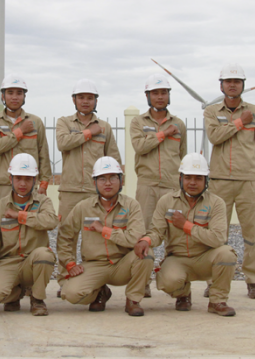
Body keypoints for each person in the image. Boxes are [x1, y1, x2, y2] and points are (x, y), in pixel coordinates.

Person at [134, 153, 238, 316]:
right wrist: (146, 240)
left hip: (206, 258)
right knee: (167, 282)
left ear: (206, 181)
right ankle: (182, 295)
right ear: (180, 178)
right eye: (188, 177)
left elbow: (218, 238)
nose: (192, 183)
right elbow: (157, 232)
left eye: (198, 178)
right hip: (178, 258)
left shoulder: (216, 203)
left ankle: (217, 301)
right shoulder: (167, 201)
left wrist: (186, 226)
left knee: (227, 254)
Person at [58, 157, 154, 316]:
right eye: (102, 178)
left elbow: (135, 238)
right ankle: (100, 292)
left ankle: (133, 300)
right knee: (71, 294)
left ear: (121, 180)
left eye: (113, 178)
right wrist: (69, 263)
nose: (108, 183)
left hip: (123, 264)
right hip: (95, 265)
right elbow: (65, 236)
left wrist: (104, 230)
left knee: (146, 255)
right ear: (94, 182)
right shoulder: (83, 207)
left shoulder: (131, 206)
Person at [204, 64, 255, 299]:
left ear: (243, 84)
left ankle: (253, 280)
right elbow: (215, 137)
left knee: (252, 233)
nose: (232, 84)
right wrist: (240, 123)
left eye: (237, 81)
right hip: (220, 181)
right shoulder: (212, 112)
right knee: (218, 234)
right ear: (221, 85)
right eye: (228, 81)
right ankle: (214, 280)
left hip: (248, 181)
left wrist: (249, 167)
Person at [56, 79, 122, 290]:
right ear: (74, 100)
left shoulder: (105, 127)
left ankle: (96, 281)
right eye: (81, 97)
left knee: (95, 237)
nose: (86, 101)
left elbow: (113, 158)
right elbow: (63, 143)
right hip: (70, 190)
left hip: (96, 192)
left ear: (96, 101)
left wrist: (117, 185)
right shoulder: (64, 123)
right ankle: (66, 276)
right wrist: (88, 133)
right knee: (67, 234)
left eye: (90, 98)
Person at [130, 73, 187, 297]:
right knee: (143, 232)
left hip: (172, 186)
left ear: (168, 96)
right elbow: (139, 147)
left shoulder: (179, 124)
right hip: (147, 185)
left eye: (163, 93)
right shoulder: (139, 122)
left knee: (175, 234)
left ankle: (177, 284)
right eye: (155, 93)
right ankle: (142, 282)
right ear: (148, 96)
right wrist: (163, 134)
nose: (160, 97)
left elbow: (181, 156)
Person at [0, 153, 58, 316]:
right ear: (10, 179)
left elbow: (51, 221)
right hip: (8, 262)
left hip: (33, 261)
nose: (23, 183)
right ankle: (15, 292)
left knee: (45, 255)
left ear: (34, 181)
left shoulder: (43, 202)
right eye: (18, 178)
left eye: (28, 179)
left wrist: (20, 216)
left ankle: (37, 299)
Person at [0, 74, 52, 209]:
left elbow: (43, 154)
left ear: (24, 96)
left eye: (19, 93)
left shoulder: (36, 122)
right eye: (10, 93)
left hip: (28, 186)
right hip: (1, 186)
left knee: (29, 225)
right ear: (3, 96)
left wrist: (43, 185)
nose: (14, 97)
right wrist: (20, 132)